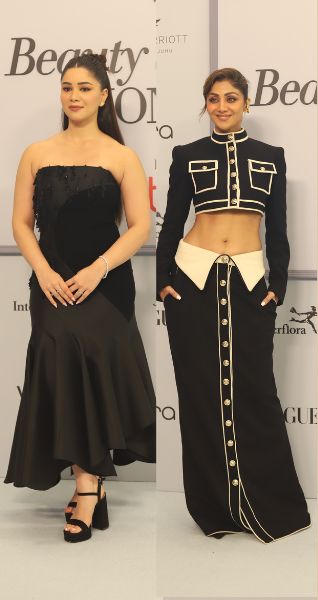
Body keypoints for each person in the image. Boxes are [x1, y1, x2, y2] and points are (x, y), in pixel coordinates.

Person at [4, 53, 156, 543]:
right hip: (51, 282)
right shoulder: (36, 152)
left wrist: (97, 269)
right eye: (67, 87)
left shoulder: (121, 156)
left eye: (85, 88)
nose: (74, 95)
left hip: (105, 284)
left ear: (104, 95)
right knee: (63, 367)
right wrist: (44, 272)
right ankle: (90, 483)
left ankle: (88, 486)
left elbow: (140, 227)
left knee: (93, 369)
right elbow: (20, 223)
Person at [156, 67, 310, 543]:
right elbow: (172, 222)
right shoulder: (187, 155)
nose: (222, 106)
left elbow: (278, 229)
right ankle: (214, 508)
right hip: (192, 280)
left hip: (248, 282)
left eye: (231, 98)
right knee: (199, 392)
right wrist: (163, 282)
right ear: (206, 104)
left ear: (246, 103)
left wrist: (277, 285)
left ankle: (267, 502)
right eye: (214, 98)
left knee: (257, 390)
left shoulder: (271, 157)